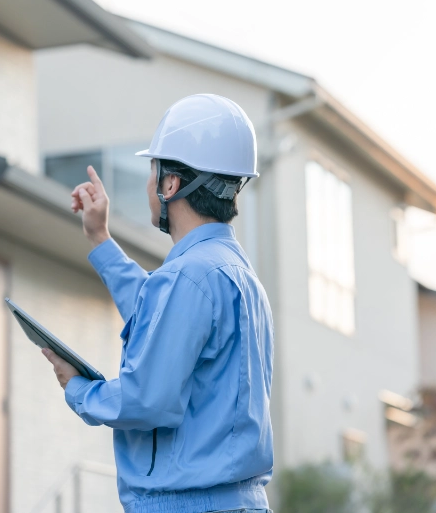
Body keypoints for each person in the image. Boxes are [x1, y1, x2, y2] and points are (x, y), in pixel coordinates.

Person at [42, 94, 275, 513]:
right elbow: (162, 319)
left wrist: (78, 389)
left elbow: (148, 399)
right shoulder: (236, 275)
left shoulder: (189, 277)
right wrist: (100, 237)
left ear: (171, 184)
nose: (149, 182)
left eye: (153, 170)